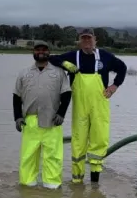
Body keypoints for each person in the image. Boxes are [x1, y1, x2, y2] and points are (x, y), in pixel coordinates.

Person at [48, 28, 127, 183]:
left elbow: (122, 68)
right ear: (79, 41)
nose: (86, 42)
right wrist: (65, 64)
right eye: (83, 39)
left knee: (99, 139)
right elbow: (51, 59)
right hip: (80, 106)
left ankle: (95, 180)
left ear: (95, 40)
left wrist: (114, 86)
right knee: (78, 141)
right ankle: (77, 182)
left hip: (100, 105)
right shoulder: (73, 56)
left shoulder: (104, 56)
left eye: (89, 39)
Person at [13, 40, 72, 189]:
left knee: (53, 157)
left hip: (52, 120)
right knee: (28, 157)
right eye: (37, 49)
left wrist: (61, 113)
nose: (41, 52)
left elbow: (66, 94)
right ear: (33, 52)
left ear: (49, 52)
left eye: (44, 50)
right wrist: (18, 117)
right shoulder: (24, 73)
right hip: (30, 122)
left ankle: (51, 186)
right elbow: (16, 97)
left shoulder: (59, 72)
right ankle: (27, 186)